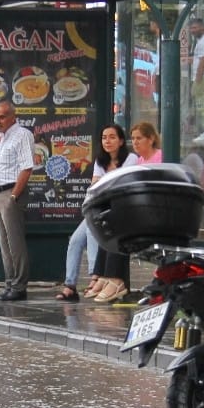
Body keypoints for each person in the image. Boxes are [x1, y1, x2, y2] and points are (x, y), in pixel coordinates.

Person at [70, 124, 142, 303]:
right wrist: (106, 183)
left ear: (120, 141)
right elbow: (95, 186)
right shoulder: (100, 161)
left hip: (119, 210)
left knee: (96, 228)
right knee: (75, 241)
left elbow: (119, 184)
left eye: (111, 137)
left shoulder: (131, 158)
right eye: (104, 137)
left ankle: (97, 276)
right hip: (99, 206)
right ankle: (69, 284)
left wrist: (104, 182)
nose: (107, 141)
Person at [0, 100, 35, 301]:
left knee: (15, 241)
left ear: (12, 117)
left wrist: (14, 196)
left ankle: (19, 285)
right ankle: (10, 283)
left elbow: (26, 168)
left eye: (2, 116)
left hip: (12, 192)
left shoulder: (22, 135)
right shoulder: (4, 138)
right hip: (0, 193)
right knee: (4, 242)